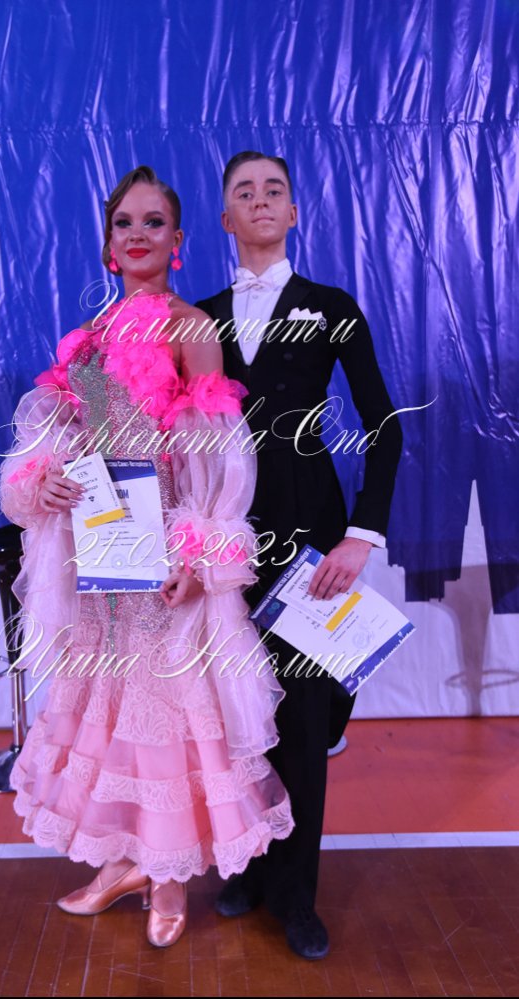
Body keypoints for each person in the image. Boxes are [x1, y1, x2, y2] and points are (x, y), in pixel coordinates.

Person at [0, 165, 294, 949]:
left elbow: (219, 456)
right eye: (123, 222)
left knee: (165, 715)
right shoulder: (90, 339)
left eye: (153, 222)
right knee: (108, 713)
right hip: (103, 554)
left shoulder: (191, 329)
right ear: (107, 243)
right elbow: (66, 438)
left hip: (163, 555)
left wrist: (198, 555)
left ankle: (167, 875)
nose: (137, 234)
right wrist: (46, 478)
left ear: (178, 240)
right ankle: (124, 860)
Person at [195, 151, 403, 960]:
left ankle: (296, 895)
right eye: (244, 192)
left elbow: (384, 425)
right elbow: (154, 420)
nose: (260, 201)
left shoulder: (332, 306)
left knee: (305, 716)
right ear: (225, 219)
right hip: (223, 538)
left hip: (311, 538)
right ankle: (247, 868)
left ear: (292, 211)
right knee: (234, 714)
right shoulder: (200, 317)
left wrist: (361, 534)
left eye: (273, 190)